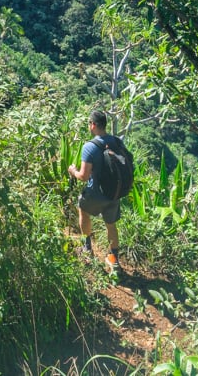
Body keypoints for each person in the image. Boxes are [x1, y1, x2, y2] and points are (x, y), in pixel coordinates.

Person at [68, 109, 121, 273]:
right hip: (114, 192)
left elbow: (83, 176)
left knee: (83, 209)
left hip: (96, 193)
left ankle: (87, 247)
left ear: (93, 125)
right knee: (111, 225)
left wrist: (73, 171)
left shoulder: (89, 147)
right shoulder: (117, 142)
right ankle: (114, 258)